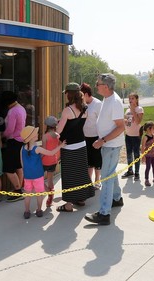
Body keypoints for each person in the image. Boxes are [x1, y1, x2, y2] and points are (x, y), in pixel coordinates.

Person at [84, 73, 125, 225]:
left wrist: (103, 140)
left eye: (98, 84)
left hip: (111, 145)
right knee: (110, 172)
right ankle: (116, 198)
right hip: (107, 144)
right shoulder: (107, 98)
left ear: (106, 87)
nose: (96, 86)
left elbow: (121, 127)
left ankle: (104, 213)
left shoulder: (114, 102)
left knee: (106, 178)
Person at [56, 82, 95, 212]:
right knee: (80, 173)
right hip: (81, 145)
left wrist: (56, 126)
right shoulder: (85, 109)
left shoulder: (67, 110)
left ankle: (68, 204)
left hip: (69, 146)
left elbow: (59, 130)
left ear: (69, 94)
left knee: (69, 175)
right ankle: (81, 198)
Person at [20, 126, 65, 219]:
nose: (37, 134)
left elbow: (22, 162)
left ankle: (27, 211)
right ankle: (39, 210)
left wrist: (25, 172)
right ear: (32, 136)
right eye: (35, 133)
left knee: (27, 195)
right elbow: (51, 153)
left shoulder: (22, 149)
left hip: (27, 176)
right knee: (39, 194)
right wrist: (61, 145)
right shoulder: (37, 149)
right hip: (38, 175)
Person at [1, 91, 27, 202]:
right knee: (18, 166)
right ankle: (19, 188)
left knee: (8, 168)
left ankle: (17, 191)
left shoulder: (12, 111)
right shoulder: (21, 108)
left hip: (13, 141)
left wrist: (2, 135)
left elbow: (10, 129)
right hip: (20, 140)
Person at [81, 82, 103, 189]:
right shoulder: (81, 104)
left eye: (81, 95)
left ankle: (97, 180)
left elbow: (102, 120)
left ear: (86, 94)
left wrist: (101, 138)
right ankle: (88, 182)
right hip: (85, 136)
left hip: (96, 136)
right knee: (88, 160)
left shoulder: (98, 104)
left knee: (97, 159)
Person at [121, 93, 144, 181]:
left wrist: (133, 110)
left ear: (137, 99)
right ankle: (130, 171)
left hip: (136, 135)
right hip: (128, 135)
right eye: (129, 98)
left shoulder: (139, 109)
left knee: (136, 154)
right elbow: (126, 119)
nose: (131, 100)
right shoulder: (127, 110)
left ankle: (137, 172)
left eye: (133, 98)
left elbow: (138, 121)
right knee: (129, 154)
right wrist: (125, 121)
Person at [42, 116, 60, 207]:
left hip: (45, 160)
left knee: (39, 179)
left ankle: (48, 191)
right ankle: (50, 197)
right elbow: (58, 149)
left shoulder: (45, 136)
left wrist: (38, 157)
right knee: (50, 180)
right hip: (53, 160)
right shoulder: (57, 135)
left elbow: (44, 150)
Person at [140, 121, 154, 187]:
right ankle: (146, 179)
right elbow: (142, 146)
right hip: (148, 155)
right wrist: (143, 156)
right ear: (148, 129)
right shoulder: (145, 137)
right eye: (153, 128)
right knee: (148, 167)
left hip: (153, 155)